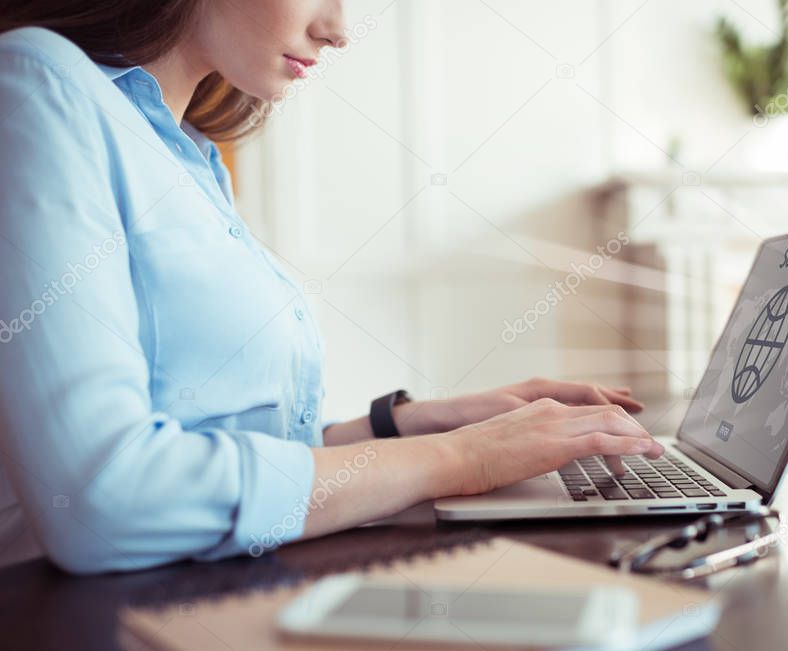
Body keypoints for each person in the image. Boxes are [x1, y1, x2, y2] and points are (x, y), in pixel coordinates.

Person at [0, 0, 663, 574]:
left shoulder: (189, 155)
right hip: (89, 627)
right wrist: (462, 457)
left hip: (211, 593)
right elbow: (105, 500)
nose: (339, 29)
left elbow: (224, 447)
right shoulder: (37, 85)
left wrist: (402, 425)